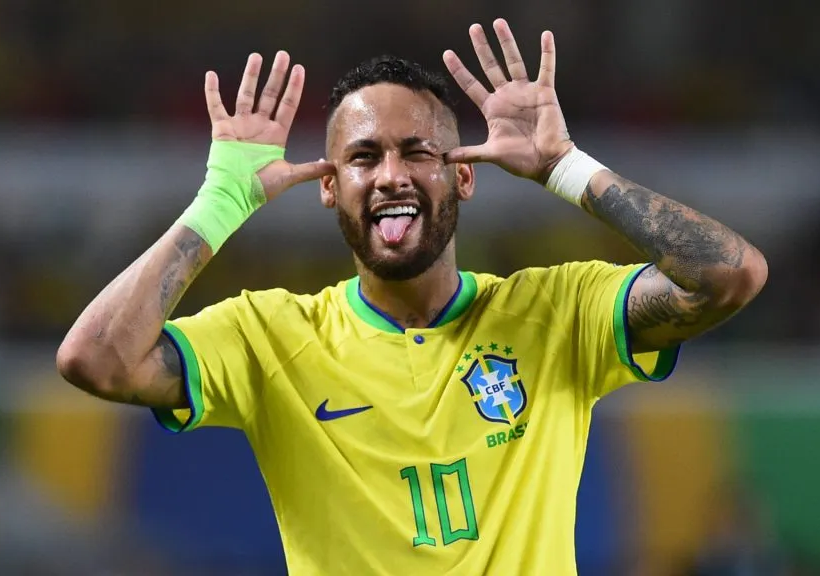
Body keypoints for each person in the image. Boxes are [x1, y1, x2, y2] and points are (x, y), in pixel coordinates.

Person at [57, 18, 767, 575]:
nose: (391, 174)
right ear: (329, 187)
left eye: (418, 151)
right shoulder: (270, 336)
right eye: (363, 157)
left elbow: (729, 275)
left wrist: (567, 169)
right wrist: (219, 204)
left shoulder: (557, 313)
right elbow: (96, 359)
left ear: (463, 175)